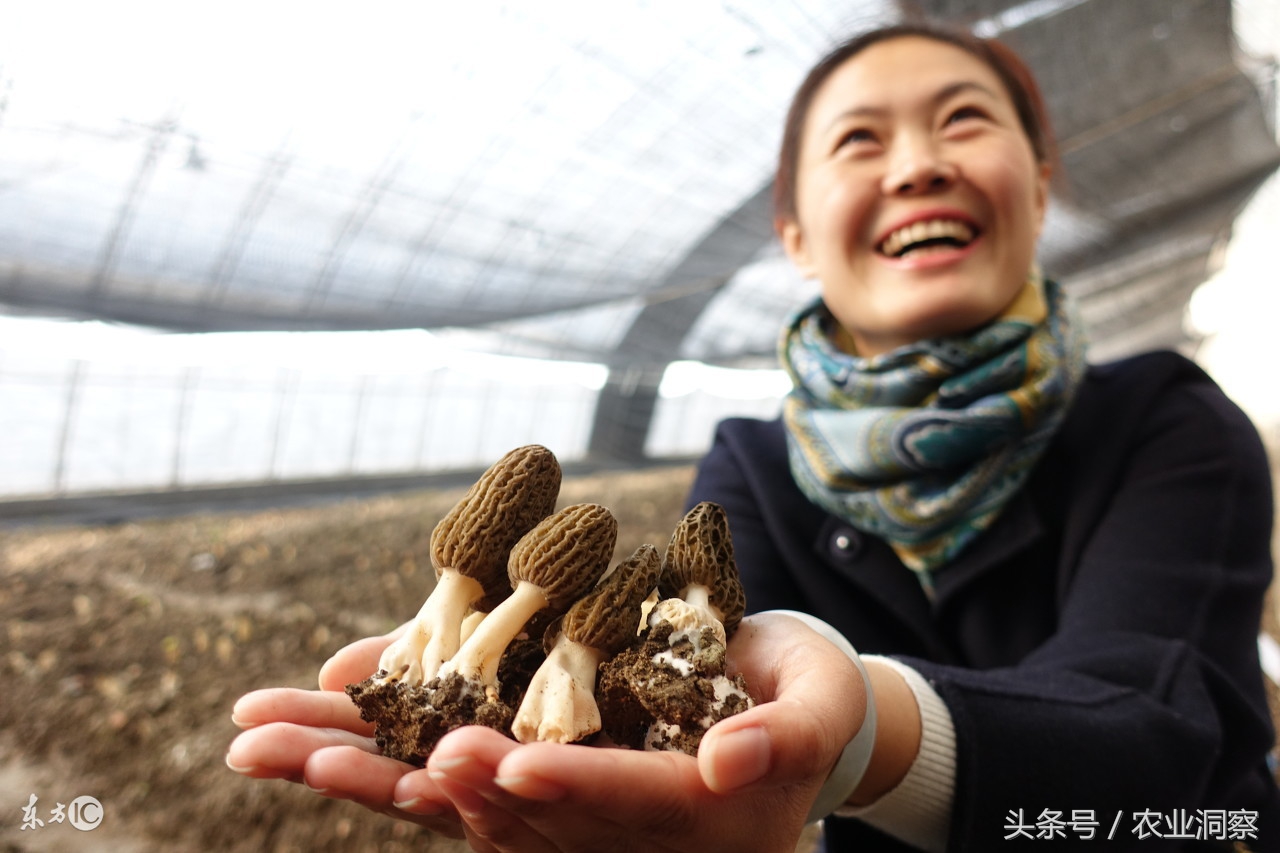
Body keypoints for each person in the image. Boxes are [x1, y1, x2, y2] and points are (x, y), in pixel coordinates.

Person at [226, 21, 1280, 852]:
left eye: (963, 122)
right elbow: (726, 728)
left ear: (1042, 186)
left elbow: (1162, 731)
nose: (915, 166)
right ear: (793, 236)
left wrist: (860, 731)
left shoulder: (1161, 419)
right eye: (859, 140)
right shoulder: (754, 466)